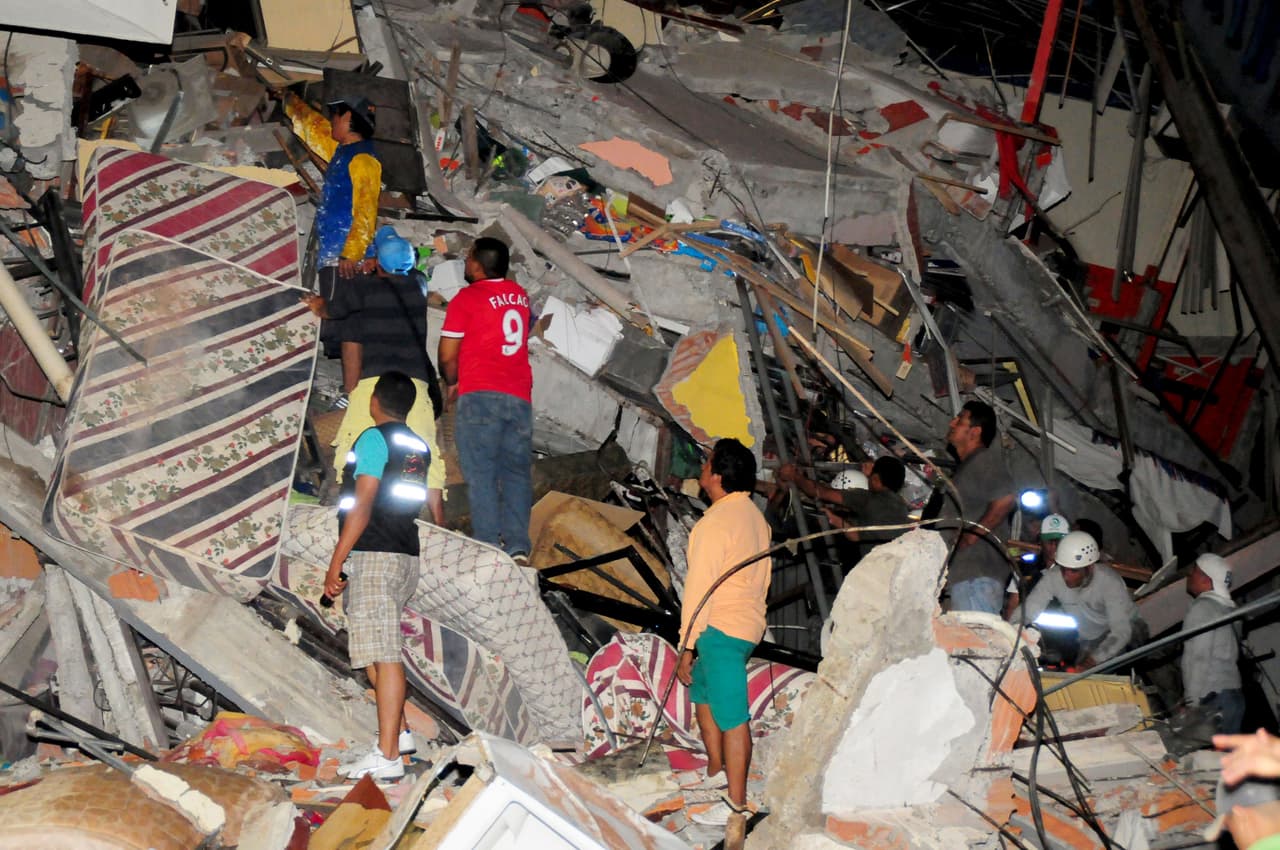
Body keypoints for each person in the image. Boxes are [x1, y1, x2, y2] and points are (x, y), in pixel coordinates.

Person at [324, 373, 429, 780]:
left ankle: (386, 758)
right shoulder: (417, 446)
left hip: (375, 554)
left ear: (374, 401)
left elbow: (363, 503)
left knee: (384, 656)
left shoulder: (373, 439)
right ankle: (399, 736)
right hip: (404, 555)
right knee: (372, 649)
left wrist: (337, 562)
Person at [303, 226, 445, 523]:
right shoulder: (418, 285)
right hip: (414, 385)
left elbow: (333, 311)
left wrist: (318, 305)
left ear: (377, 261)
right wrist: (377, 266)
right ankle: (438, 522)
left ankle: (340, 501)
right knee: (424, 451)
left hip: (374, 383)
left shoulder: (366, 288)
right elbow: (408, 273)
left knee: (353, 442)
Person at [676, 439, 772, 828]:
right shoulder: (755, 518)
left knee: (732, 716)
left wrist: (686, 644)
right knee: (702, 690)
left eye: (707, 464)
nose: (702, 469)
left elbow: (698, 589)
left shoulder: (714, 523)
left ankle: (737, 804)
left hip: (722, 627)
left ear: (717, 475)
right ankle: (715, 768)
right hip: (746, 624)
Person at [437, 237, 533, 560]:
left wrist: (452, 383)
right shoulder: (519, 296)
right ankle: (518, 545)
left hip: (480, 395)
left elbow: (448, 356)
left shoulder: (466, 298)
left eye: (468, 258)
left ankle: (490, 546)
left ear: (478, 264)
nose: (465, 263)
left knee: (482, 474)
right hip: (519, 395)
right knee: (516, 473)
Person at [283, 91, 381, 350]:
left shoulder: (363, 160)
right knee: (342, 327)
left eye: (336, 117)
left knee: (340, 324)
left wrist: (354, 253)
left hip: (344, 257)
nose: (332, 122)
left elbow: (366, 209)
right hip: (337, 253)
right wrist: (290, 103)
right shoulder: (345, 151)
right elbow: (316, 131)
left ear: (348, 118)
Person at [1011, 531, 1145, 668]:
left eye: (1074, 571)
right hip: (1089, 637)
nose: (1066, 577)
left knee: (1109, 665)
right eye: (1064, 569)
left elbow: (1121, 632)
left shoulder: (1109, 582)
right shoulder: (1053, 578)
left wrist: (1094, 660)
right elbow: (1028, 610)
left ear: (1090, 567)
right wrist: (1010, 631)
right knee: (1078, 676)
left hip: (1127, 630)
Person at [941, 400, 1017, 614]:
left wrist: (973, 535)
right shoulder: (967, 468)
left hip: (977, 577)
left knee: (974, 642)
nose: (952, 422)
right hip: (966, 577)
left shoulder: (983, 461)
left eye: (960, 419)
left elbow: (1006, 499)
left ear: (974, 431)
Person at [777, 456, 909, 544]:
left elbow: (819, 492)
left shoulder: (867, 499)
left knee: (796, 524)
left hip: (863, 562)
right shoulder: (902, 506)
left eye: (872, 476)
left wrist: (793, 475)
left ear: (875, 479)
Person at [1182, 553, 1244, 734]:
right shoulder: (1230, 610)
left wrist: (1191, 703)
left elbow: (1198, 658)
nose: (1189, 576)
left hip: (1212, 699)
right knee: (1224, 760)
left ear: (1205, 579)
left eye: (1193, 572)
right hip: (1233, 697)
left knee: (1206, 760)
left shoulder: (1203, 608)